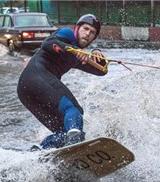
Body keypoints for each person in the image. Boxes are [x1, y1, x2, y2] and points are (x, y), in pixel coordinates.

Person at [17, 14, 108, 150]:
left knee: (64, 130)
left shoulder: (78, 58)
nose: (87, 34)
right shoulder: (67, 34)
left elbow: (101, 71)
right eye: (85, 29)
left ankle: (39, 152)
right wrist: (73, 50)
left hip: (26, 92)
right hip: (35, 76)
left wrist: (97, 53)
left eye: (92, 33)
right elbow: (48, 44)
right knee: (73, 109)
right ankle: (75, 141)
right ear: (77, 29)